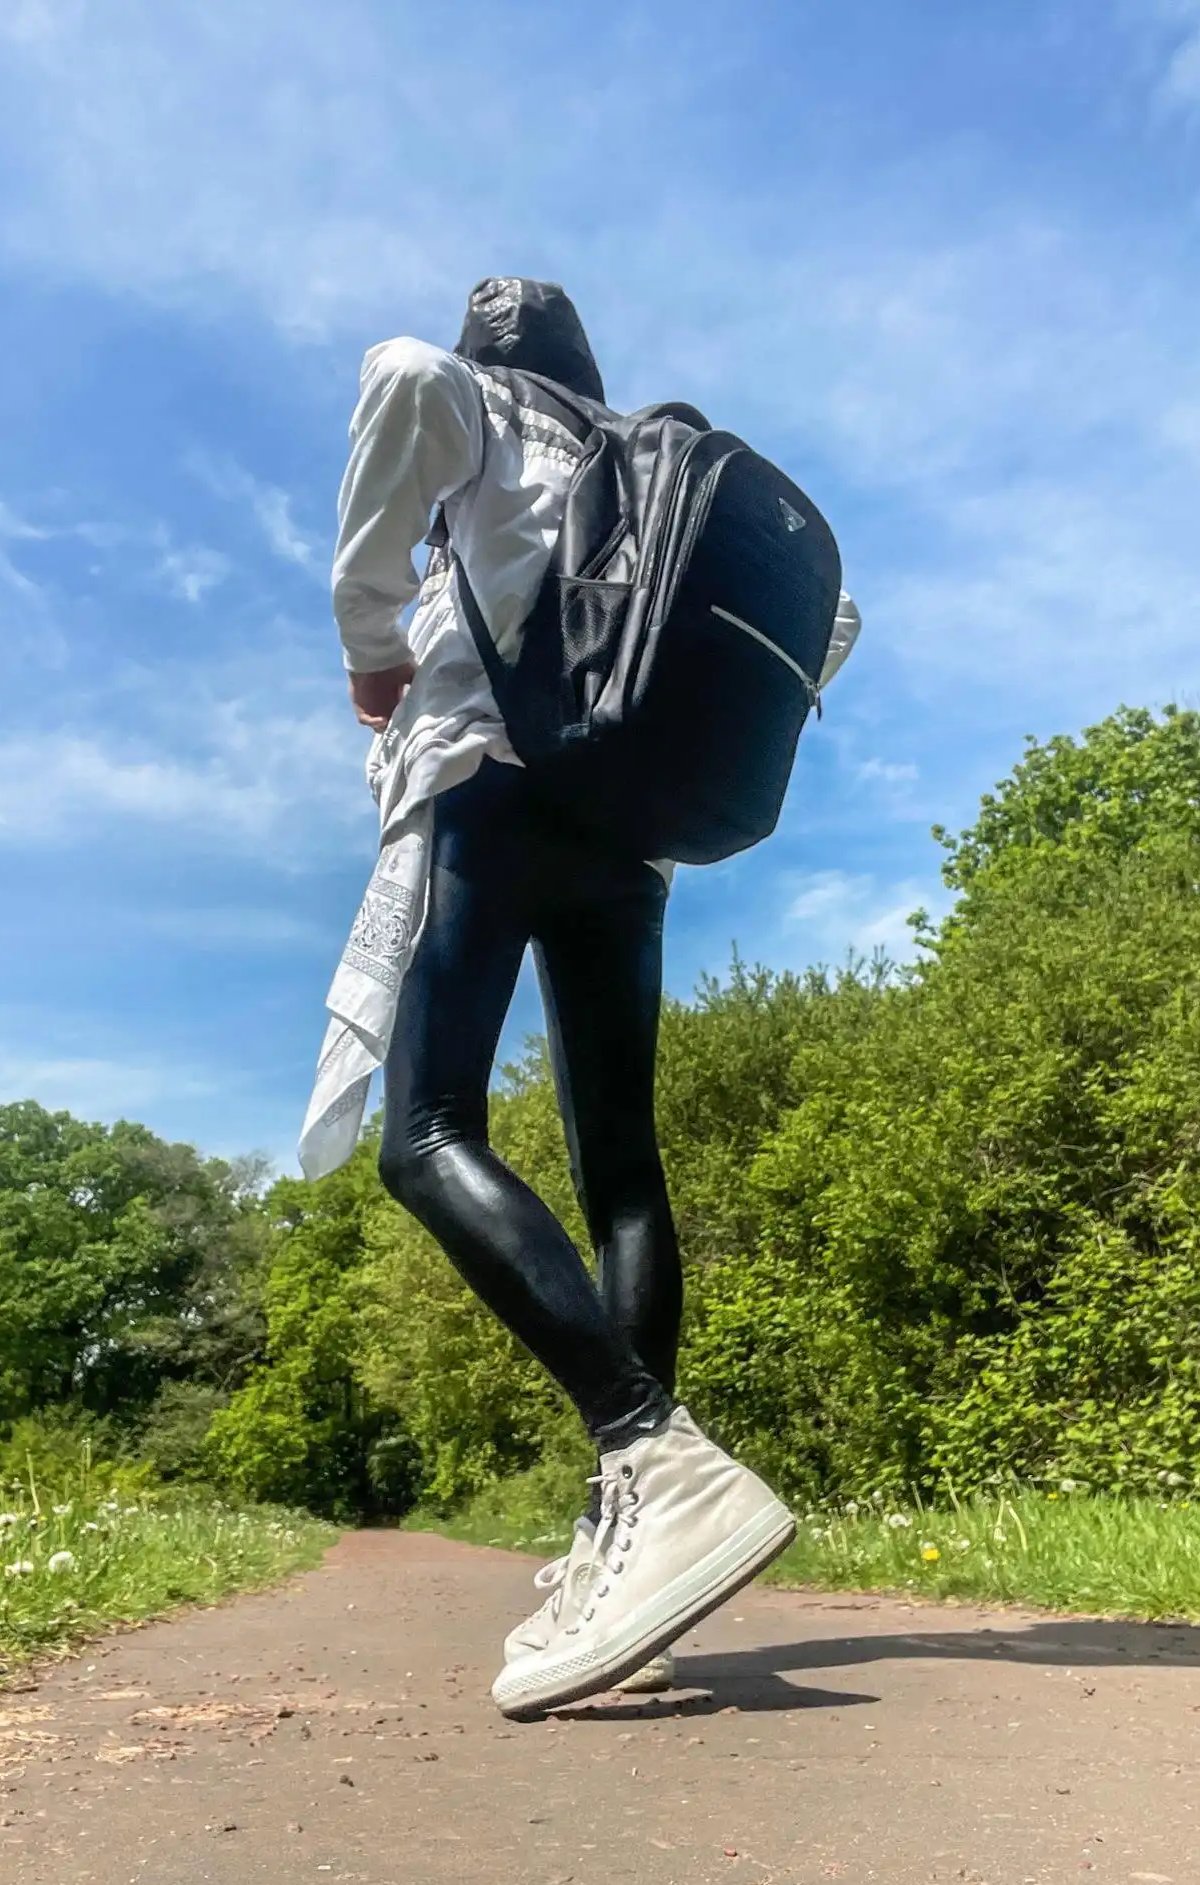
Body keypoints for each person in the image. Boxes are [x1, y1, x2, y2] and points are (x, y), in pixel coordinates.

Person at [300, 278, 860, 1718]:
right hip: (631, 843)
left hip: (493, 800)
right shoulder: (654, 474)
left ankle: (650, 1456)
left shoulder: (483, 408)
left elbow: (405, 371)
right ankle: (636, 1527)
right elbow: (832, 623)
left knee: (426, 1137)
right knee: (623, 1173)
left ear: (503, 363)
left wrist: (374, 638)